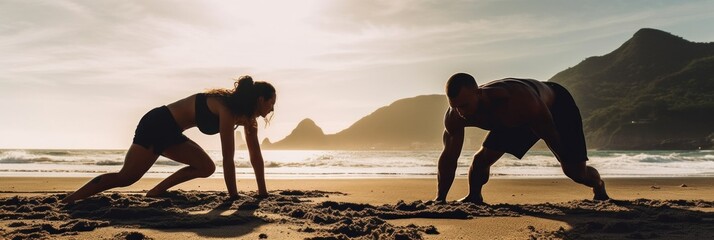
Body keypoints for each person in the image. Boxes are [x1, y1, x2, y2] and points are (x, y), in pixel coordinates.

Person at [62, 76, 275, 204]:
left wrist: (263, 193)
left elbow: (255, 155)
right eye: (271, 103)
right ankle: (71, 199)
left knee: (206, 167)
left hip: (172, 132)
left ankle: (155, 192)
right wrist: (233, 197)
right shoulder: (227, 108)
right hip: (157, 123)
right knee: (126, 177)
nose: (272, 109)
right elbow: (228, 158)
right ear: (260, 100)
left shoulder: (249, 119)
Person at [434, 73, 609, 204]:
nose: (461, 112)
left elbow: (549, 132)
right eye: (455, 106)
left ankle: (598, 185)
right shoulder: (454, 116)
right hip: (511, 119)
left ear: (479, 93)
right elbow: (449, 157)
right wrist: (440, 199)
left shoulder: (517, 99)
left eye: (464, 106)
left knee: (574, 172)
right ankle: (474, 197)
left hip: (555, 106)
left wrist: (568, 159)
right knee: (480, 161)